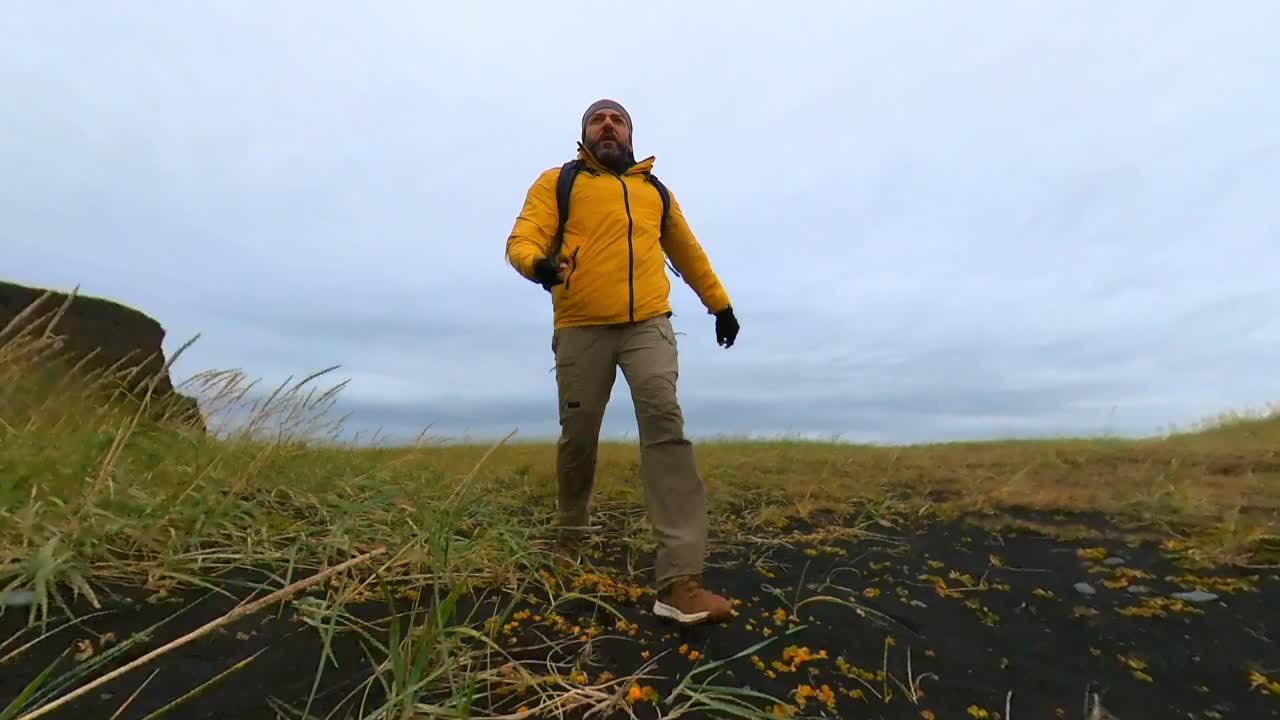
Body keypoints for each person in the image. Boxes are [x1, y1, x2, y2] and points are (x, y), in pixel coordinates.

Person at [504, 99, 739, 625]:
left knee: (664, 425)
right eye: (597, 119)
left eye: (618, 119)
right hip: (580, 325)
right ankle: (572, 534)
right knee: (579, 434)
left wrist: (719, 304)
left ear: (631, 134)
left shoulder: (654, 191)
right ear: (584, 134)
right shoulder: (558, 182)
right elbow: (522, 238)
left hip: (648, 324)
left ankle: (679, 580)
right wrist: (538, 265)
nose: (607, 125)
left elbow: (688, 252)